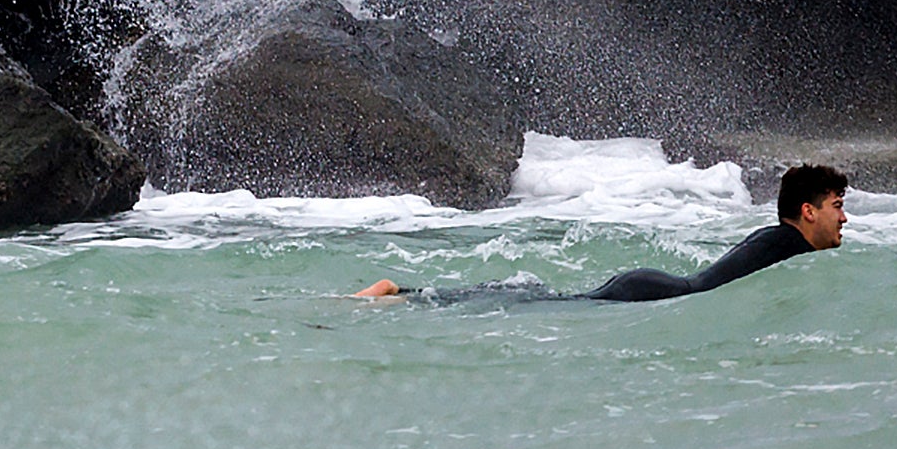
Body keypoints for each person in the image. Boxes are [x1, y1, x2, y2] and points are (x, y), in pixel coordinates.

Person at [356, 163, 848, 303]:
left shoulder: (776, 240)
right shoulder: (788, 246)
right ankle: (402, 294)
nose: (844, 218)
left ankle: (407, 294)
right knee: (541, 303)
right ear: (807, 212)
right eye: (837, 207)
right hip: (653, 292)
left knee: (544, 299)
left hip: (654, 286)